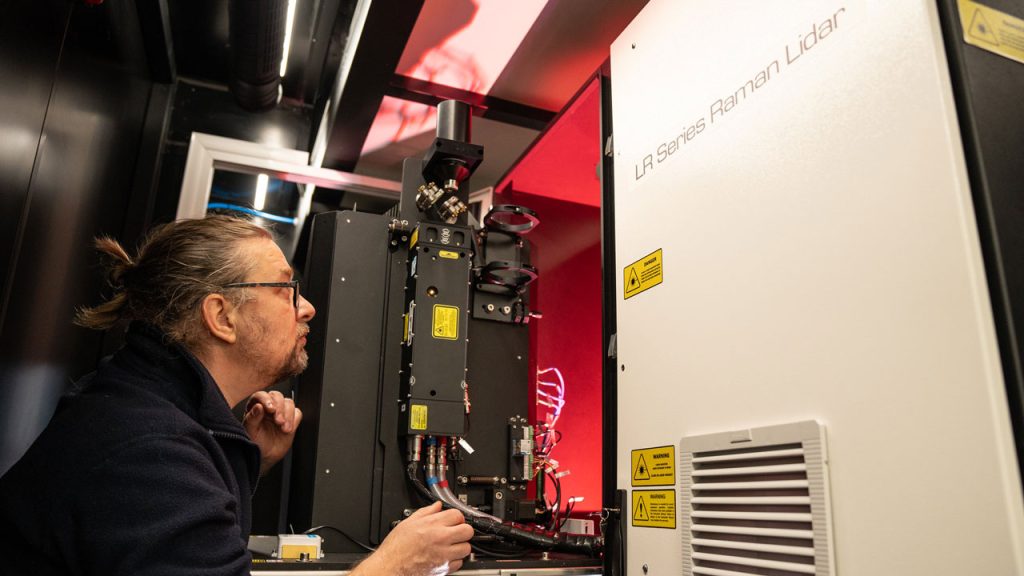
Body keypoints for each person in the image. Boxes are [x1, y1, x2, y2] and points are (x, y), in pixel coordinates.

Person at [0, 215, 473, 575]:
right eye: (286, 288)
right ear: (221, 317)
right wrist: (394, 564)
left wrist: (248, 460)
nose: (306, 307)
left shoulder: (146, 407)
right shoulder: (147, 451)